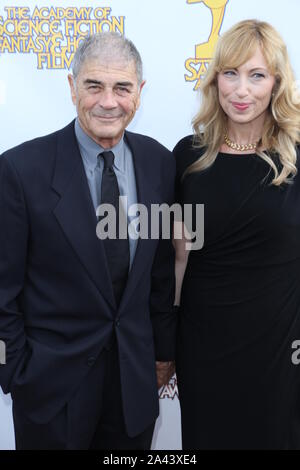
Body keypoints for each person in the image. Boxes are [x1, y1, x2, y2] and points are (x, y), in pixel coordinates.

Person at [0, 32, 176, 450]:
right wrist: (14, 373)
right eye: (94, 85)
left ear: (140, 92)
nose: (108, 101)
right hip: (50, 395)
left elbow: (160, 273)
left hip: (133, 396)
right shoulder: (20, 170)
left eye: (122, 88)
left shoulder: (160, 162)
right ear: (71, 86)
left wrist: (163, 357)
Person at [173, 19, 300, 449]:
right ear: (215, 80)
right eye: (230, 74)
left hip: (281, 352)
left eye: (256, 75)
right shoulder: (187, 156)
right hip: (202, 348)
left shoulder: (296, 158)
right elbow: (176, 260)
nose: (241, 90)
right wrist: (165, 343)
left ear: (277, 83)